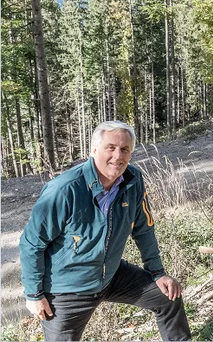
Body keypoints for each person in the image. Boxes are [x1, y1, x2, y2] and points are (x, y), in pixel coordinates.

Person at [19, 121, 191, 341]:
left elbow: (144, 228)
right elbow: (32, 242)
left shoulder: (133, 180)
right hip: (67, 289)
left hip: (111, 275)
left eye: (125, 149)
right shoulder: (64, 190)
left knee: (168, 296)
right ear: (93, 150)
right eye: (111, 147)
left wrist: (158, 272)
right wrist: (34, 294)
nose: (118, 156)